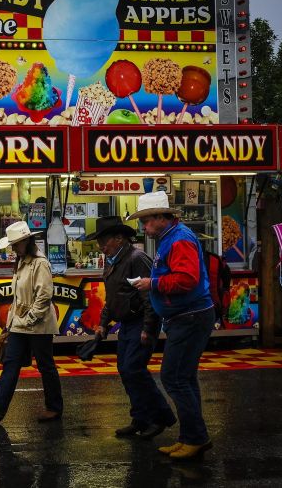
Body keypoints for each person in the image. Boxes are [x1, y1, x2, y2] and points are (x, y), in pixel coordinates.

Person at [127, 192, 214, 460]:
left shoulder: (179, 241)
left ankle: (195, 437)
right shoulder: (173, 238)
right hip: (188, 315)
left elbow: (187, 280)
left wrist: (151, 283)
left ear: (160, 217)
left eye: (146, 221)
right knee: (184, 378)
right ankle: (191, 436)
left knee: (173, 378)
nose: (144, 227)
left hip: (189, 316)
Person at [87, 216, 176, 439]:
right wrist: (102, 324)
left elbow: (149, 297)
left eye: (104, 242)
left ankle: (161, 417)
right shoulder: (113, 261)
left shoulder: (137, 259)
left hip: (141, 323)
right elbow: (112, 298)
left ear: (119, 238)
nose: (101, 247)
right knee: (126, 370)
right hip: (127, 324)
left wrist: (148, 328)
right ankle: (140, 418)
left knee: (134, 369)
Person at [0, 221, 63, 423]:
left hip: (38, 325)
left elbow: (44, 296)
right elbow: (18, 299)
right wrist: (11, 323)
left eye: (15, 244)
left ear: (26, 241)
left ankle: (54, 408)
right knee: (10, 363)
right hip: (20, 324)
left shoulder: (40, 263)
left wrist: (30, 318)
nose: (13, 249)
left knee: (45, 365)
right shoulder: (22, 261)